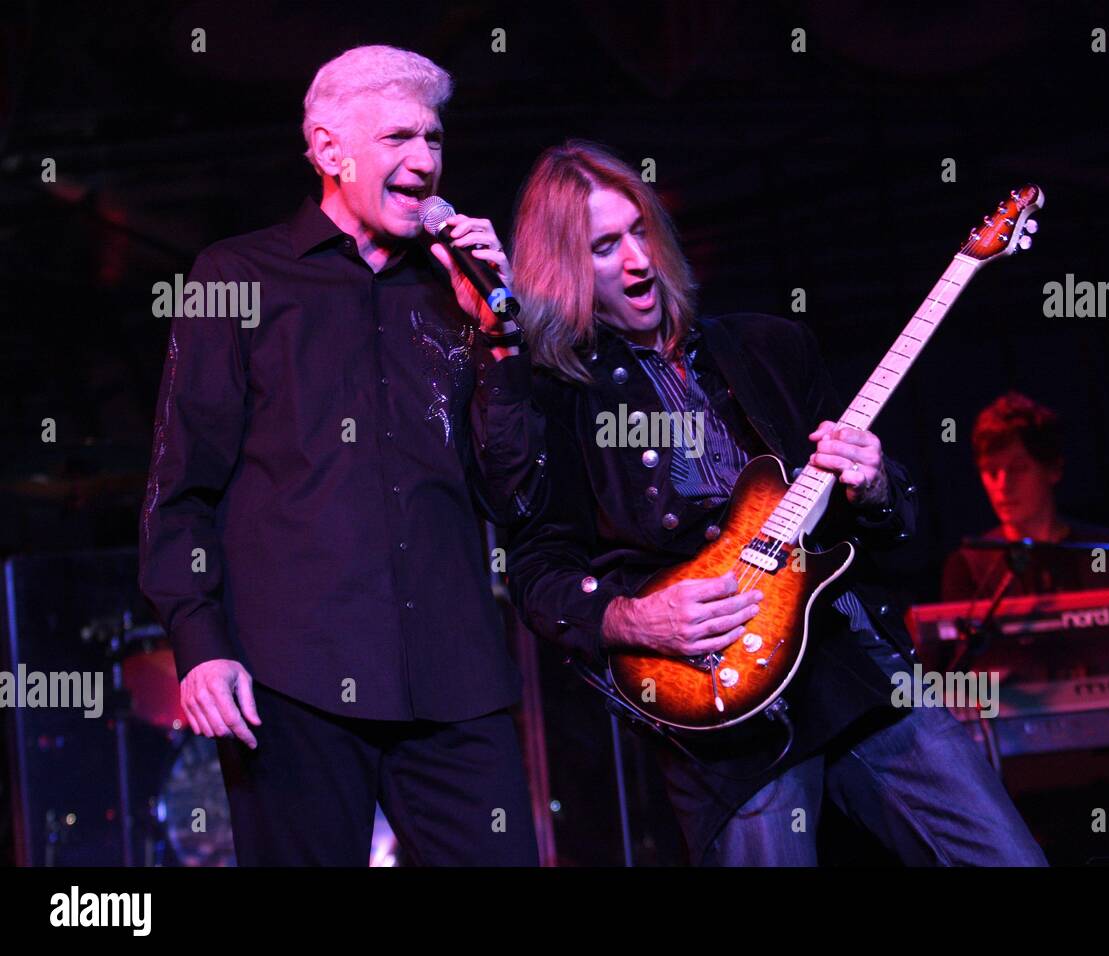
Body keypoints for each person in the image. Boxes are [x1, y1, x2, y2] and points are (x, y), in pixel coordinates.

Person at [505, 140, 1046, 866]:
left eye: (640, 231)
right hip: (727, 712)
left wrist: (878, 485)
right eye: (605, 246)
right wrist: (631, 618)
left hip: (855, 668)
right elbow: (536, 568)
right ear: (566, 271)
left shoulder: (768, 347)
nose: (637, 259)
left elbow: (896, 532)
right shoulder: (561, 402)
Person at [138, 45, 542, 865]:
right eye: (398, 138)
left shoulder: (456, 291)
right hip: (290, 681)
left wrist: (500, 340)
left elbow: (517, 491)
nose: (425, 163)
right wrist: (199, 640)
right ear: (329, 150)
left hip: (454, 678)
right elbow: (180, 485)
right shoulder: (237, 277)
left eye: (434, 140)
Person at [941, 392, 1109, 601]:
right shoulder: (969, 566)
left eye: (1018, 468)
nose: (1003, 485)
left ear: (1053, 469)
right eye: (991, 472)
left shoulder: (1103, 549)